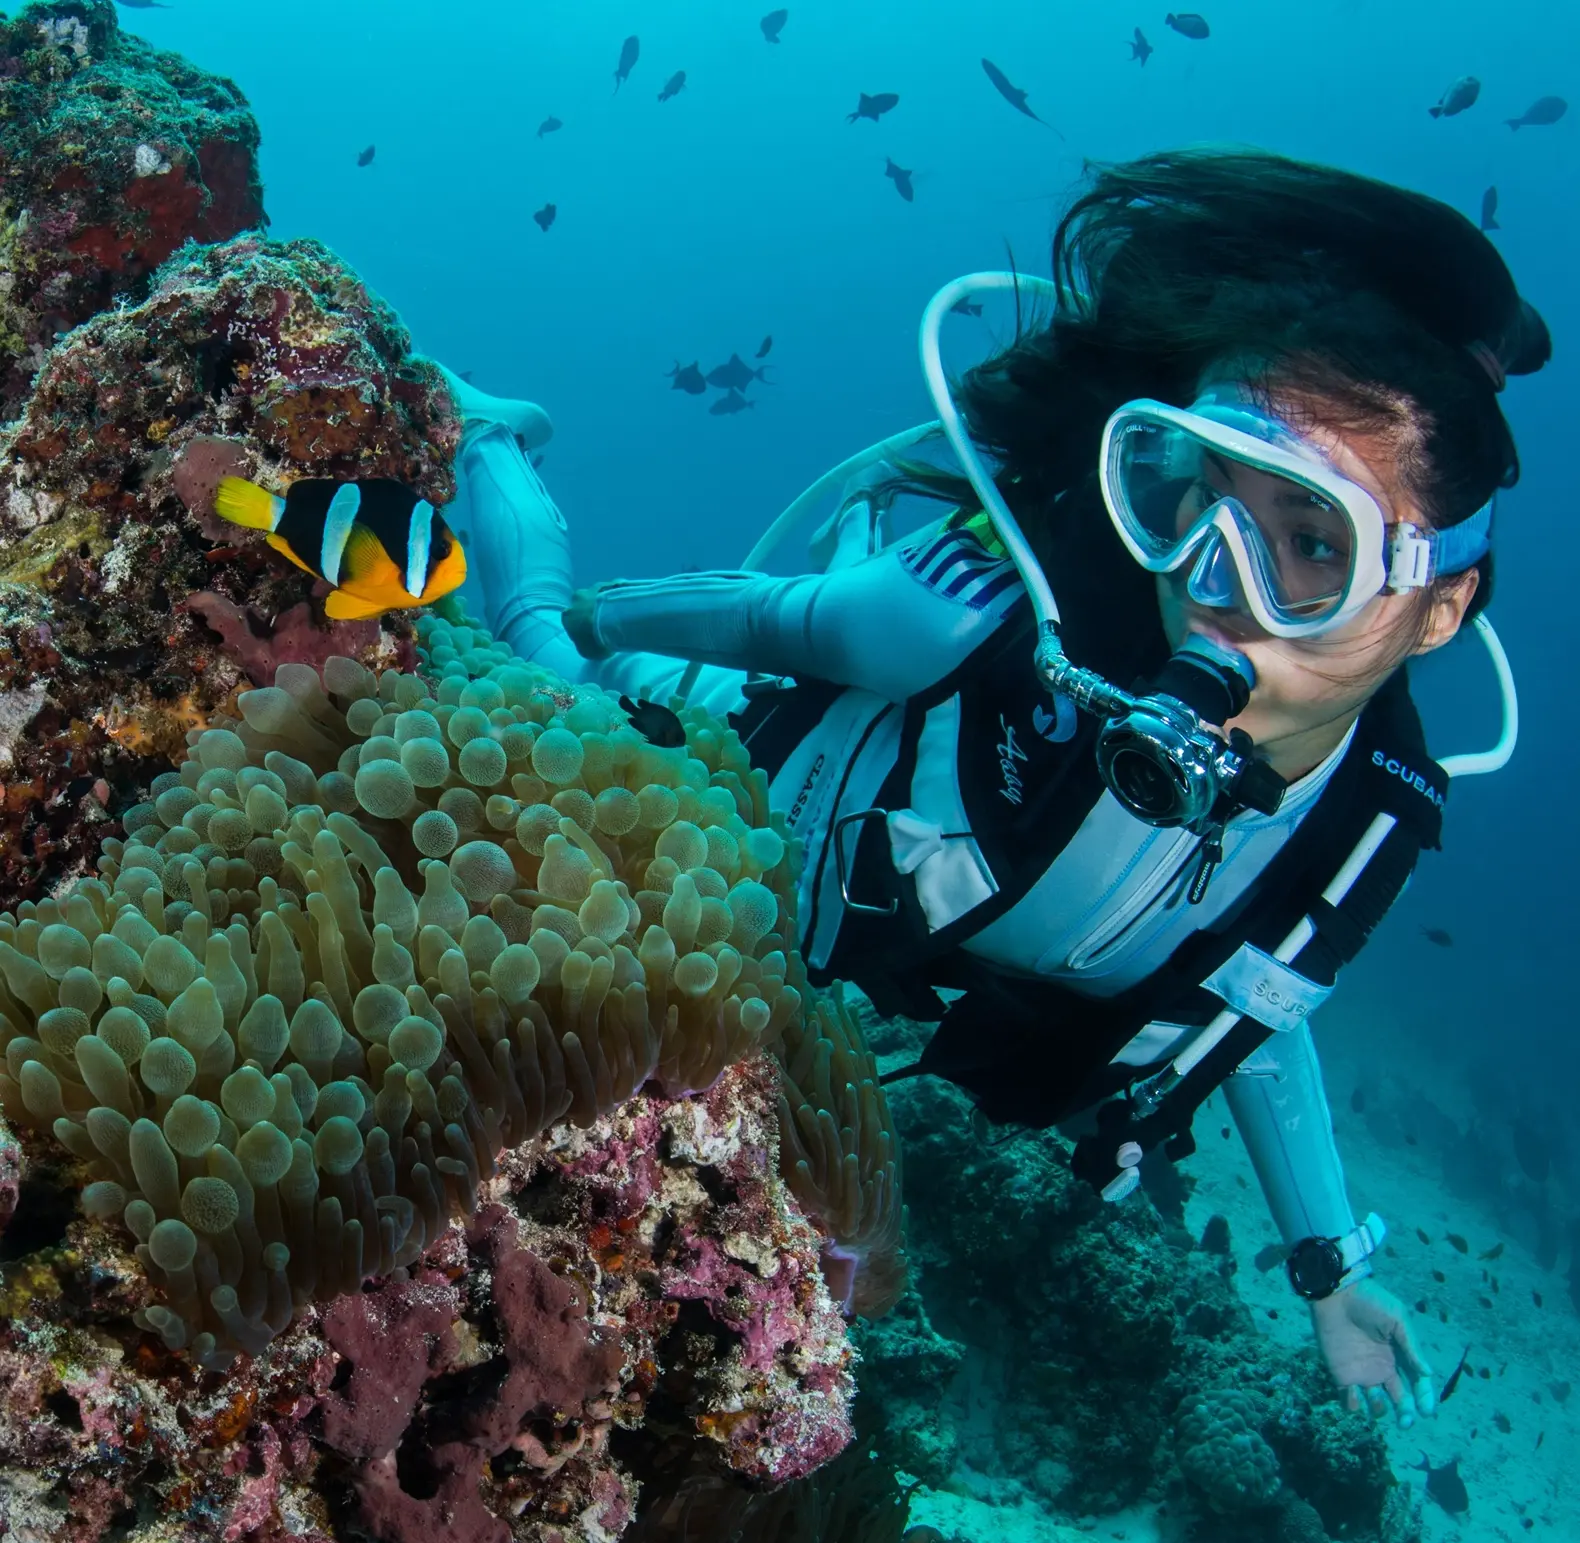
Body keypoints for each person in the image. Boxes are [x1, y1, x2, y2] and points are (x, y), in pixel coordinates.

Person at [445, 151, 1549, 1430]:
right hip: (752, 780)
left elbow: (1256, 1002)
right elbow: (757, 621)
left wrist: (1327, 1272)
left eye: (1309, 548)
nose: (1210, 580)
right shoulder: (1014, 607)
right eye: (1194, 500)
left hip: (904, 960)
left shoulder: (1366, 822)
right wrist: (600, 621)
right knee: (540, 658)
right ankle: (490, 435)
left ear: (1436, 606)